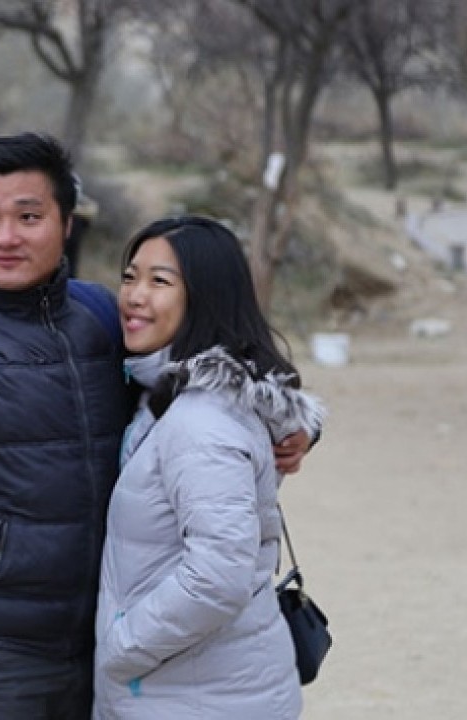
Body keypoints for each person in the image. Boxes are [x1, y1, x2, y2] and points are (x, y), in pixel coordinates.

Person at [0, 132, 316, 718]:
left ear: (66, 222)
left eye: (28, 215)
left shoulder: (98, 314)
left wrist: (288, 428)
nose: (6, 237)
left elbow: (203, 381)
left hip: (92, 641)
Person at [94, 216, 321, 718]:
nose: (134, 295)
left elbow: (218, 574)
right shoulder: (167, 394)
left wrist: (122, 648)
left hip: (194, 695)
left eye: (160, 281)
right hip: (197, 685)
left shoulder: (201, 422)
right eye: (130, 277)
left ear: (205, 297)